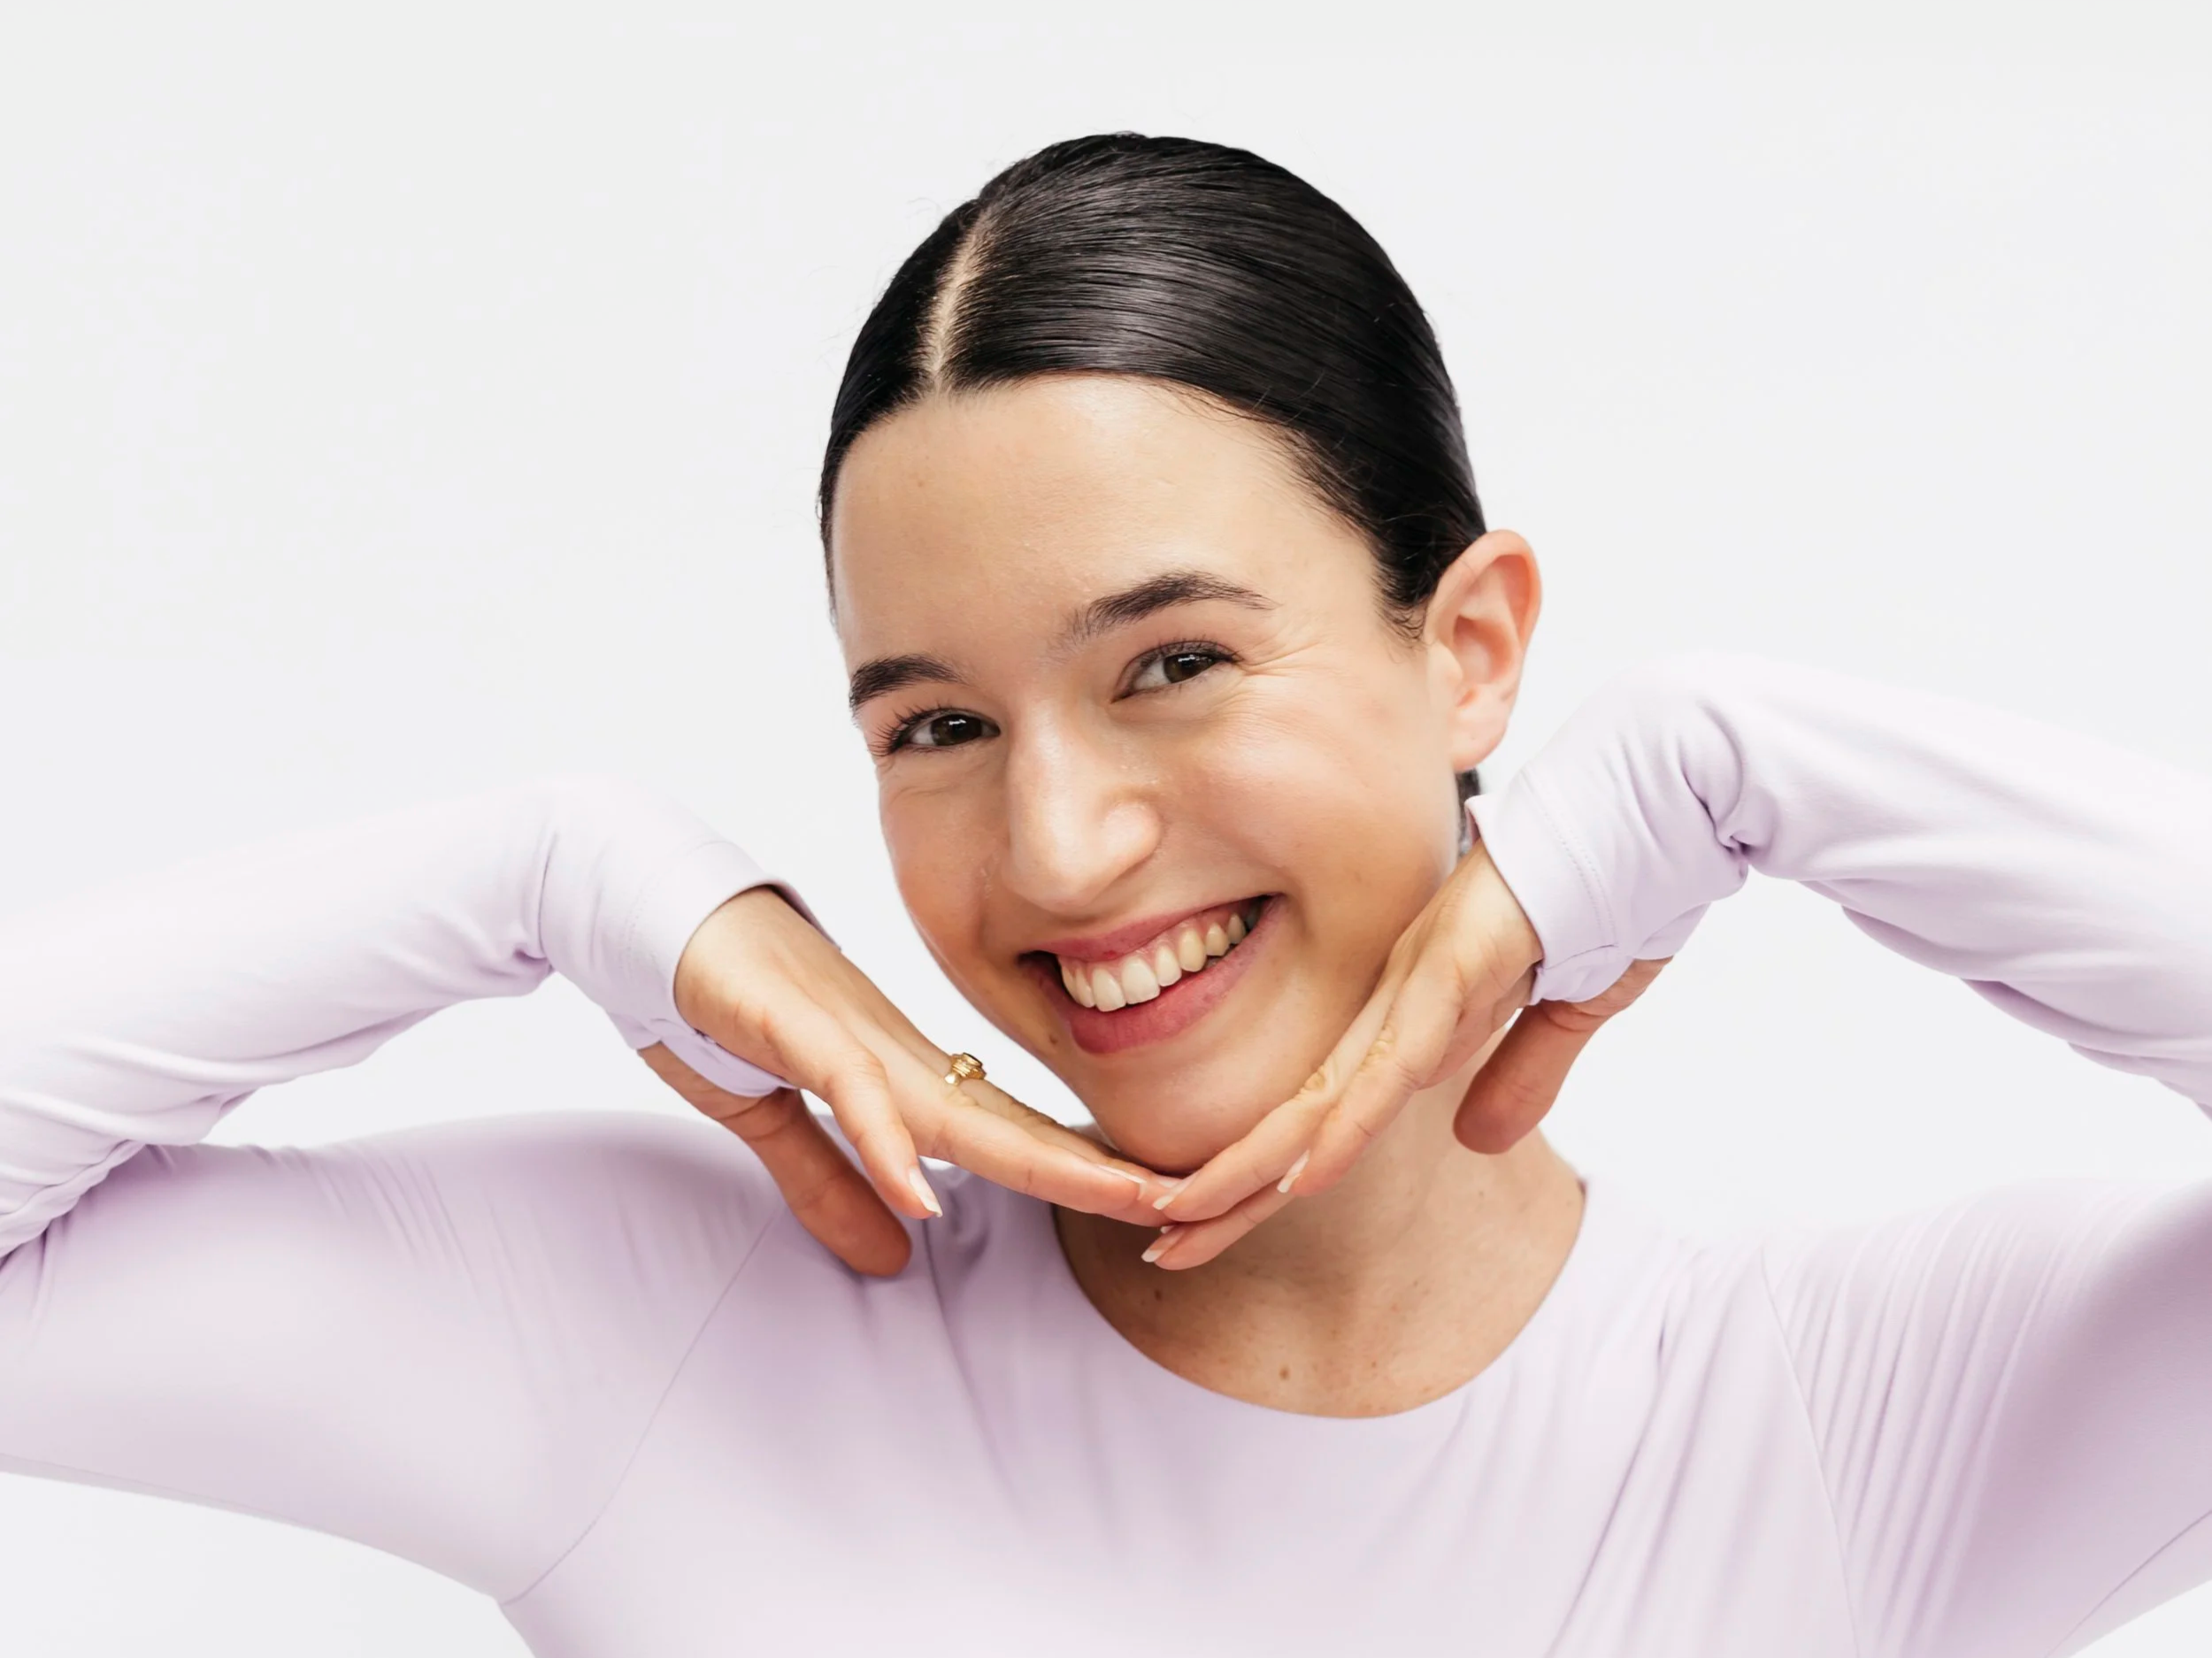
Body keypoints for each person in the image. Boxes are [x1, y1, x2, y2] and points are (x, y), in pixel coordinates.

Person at [3, 133, 2208, 1658]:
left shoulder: (1853, 1426)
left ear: (1469, 648)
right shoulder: (675, 1325)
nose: (1056, 850)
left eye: (1172, 664)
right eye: (935, 724)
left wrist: (1743, 763)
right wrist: (539, 869)